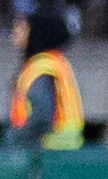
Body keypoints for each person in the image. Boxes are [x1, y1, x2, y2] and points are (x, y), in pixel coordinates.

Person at [5, 11, 84, 149]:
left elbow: (41, 116)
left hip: (45, 151)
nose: (15, 31)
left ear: (36, 33)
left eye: (22, 27)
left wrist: (15, 138)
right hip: (60, 151)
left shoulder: (41, 68)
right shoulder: (53, 63)